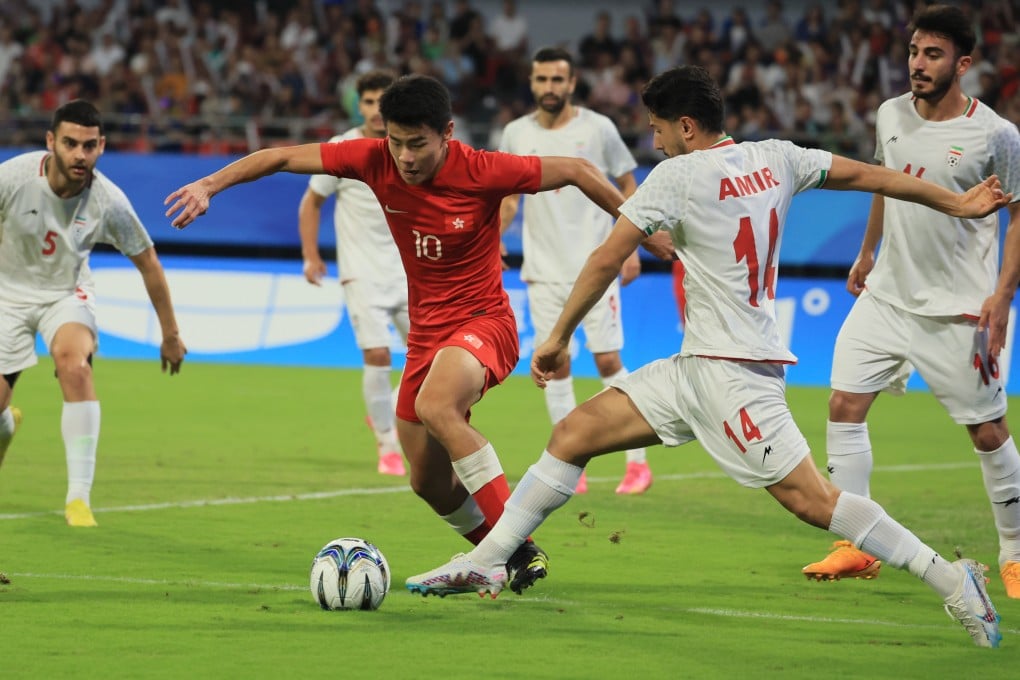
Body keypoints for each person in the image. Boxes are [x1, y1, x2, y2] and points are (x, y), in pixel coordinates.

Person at [403, 65, 1010, 649]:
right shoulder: (781, 156)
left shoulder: (678, 176)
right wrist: (954, 203)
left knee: (813, 501)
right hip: (698, 365)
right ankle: (487, 562)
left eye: (658, 128)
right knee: (574, 432)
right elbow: (876, 177)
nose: (655, 140)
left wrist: (558, 337)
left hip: (734, 376)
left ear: (686, 128)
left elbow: (605, 259)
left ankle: (955, 581)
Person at [164, 74, 632, 594]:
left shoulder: (483, 169)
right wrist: (209, 184)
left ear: (447, 134)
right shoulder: (371, 159)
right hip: (427, 338)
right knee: (426, 481)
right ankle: (495, 552)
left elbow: (578, 169)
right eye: (395, 141)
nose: (404, 157)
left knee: (437, 407)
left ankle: (512, 548)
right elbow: (278, 156)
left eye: (418, 144)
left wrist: (636, 230)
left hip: (484, 322)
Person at [800, 5, 1020, 598]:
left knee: (988, 432)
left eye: (933, 55)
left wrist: (1003, 297)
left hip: (958, 308)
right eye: (914, 52)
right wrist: (867, 253)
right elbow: (881, 180)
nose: (917, 65)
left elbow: (1019, 215)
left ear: (963, 64)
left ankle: (1016, 552)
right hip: (887, 296)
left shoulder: (997, 135)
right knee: (844, 405)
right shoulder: (890, 113)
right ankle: (856, 545)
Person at [0, 99, 187, 527]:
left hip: (66, 294)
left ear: (101, 146)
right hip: (6, 296)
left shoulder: (109, 202)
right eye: (70, 143)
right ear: (51, 142)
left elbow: (149, 264)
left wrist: (171, 334)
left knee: (74, 364)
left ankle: (78, 499)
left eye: (89, 145)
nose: (79, 155)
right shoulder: (12, 177)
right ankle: (7, 425)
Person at [499, 47, 652, 496]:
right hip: (542, 269)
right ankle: (573, 465)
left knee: (608, 360)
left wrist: (631, 245)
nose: (550, 87)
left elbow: (627, 181)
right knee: (555, 364)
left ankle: (637, 463)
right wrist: (493, 238)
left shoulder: (598, 128)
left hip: (595, 264)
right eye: (542, 79)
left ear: (571, 83)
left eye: (557, 80)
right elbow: (508, 197)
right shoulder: (515, 133)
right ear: (532, 83)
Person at [298, 70, 409, 477]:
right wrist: (311, 255)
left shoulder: (410, 146)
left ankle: (386, 409)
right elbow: (311, 202)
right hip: (361, 272)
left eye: (383, 102)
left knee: (432, 360)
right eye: (368, 102)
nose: (376, 111)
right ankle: (388, 446)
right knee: (378, 355)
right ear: (358, 106)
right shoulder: (342, 148)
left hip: (409, 271)